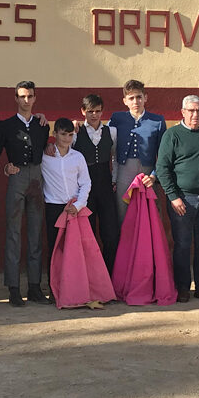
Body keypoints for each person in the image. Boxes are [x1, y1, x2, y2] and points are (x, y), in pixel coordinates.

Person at [156, 95, 199, 302]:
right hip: (182, 199)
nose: (195, 114)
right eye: (191, 110)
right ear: (183, 112)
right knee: (182, 244)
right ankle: (182, 287)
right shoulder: (172, 135)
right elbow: (162, 168)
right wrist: (173, 197)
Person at [0, 81, 52, 306]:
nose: (26, 100)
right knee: (13, 232)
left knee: (35, 232)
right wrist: (5, 168)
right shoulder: (5, 125)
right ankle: (13, 288)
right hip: (17, 176)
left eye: (30, 96)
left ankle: (34, 286)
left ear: (35, 98)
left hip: (37, 177)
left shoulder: (42, 125)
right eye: (22, 96)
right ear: (16, 98)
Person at [42, 118, 92, 301]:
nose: (66, 138)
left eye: (70, 135)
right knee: (55, 249)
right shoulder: (45, 156)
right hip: (53, 207)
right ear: (54, 134)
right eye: (63, 134)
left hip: (74, 209)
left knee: (76, 249)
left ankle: (77, 288)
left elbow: (86, 183)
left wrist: (78, 205)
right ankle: (55, 289)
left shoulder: (78, 157)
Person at [74, 94, 120, 271]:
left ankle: (110, 273)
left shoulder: (111, 131)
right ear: (83, 111)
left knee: (110, 232)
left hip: (105, 184)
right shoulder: (76, 132)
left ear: (102, 111)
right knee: (88, 232)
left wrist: (114, 179)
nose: (94, 115)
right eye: (90, 111)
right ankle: (91, 274)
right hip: (84, 187)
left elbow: (115, 157)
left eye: (98, 111)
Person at [110, 80, 166, 223]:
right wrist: (78, 125)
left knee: (151, 211)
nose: (135, 101)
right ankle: (124, 238)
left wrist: (154, 175)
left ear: (145, 98)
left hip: (147, 171)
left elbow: (163, 154)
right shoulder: (117, 118)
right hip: (124, 170)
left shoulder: (157, 121)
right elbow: (101, 134)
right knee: (122, 210)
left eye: (139, 97)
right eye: (131, 98)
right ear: (125, 101)